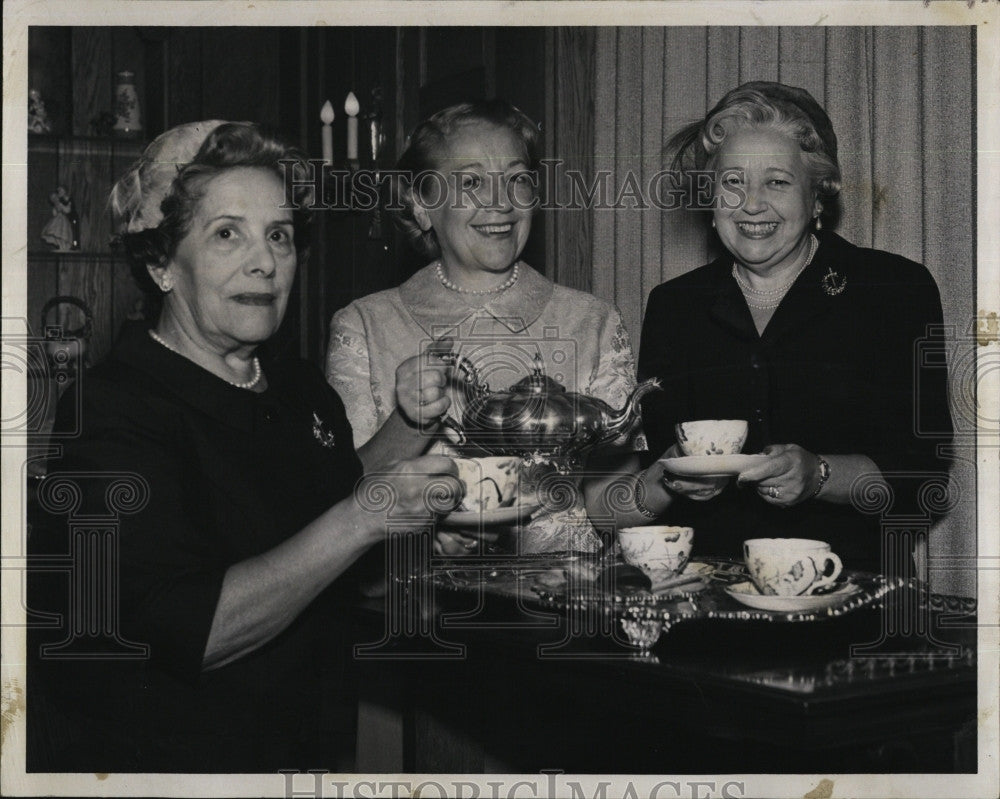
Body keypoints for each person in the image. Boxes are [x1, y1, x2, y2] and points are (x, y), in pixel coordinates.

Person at [27, 121, 462, 772]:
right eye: (227, 233)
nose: (264, 260)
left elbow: (335, 495)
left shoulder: (295, 383)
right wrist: (366, 518)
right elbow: (193, 629)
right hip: (170, 764)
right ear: (160, 264)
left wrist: (412, 418)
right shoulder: (110, 413)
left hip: (305, 749)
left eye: (279, 235)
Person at [635, 81, 953, 573]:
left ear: (818, 195)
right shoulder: (673, 306)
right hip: (709, 601)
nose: (752, 204)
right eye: (733, 182)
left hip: (854, 596)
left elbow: (924, 478)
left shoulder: (892, 289)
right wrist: (678, 471)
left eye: (777, 182)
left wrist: (821, 475)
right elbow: (652, 468)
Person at [326, 99, 660, 555]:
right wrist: (409, 422)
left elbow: (606, 507)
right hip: (424, 609)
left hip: (564, 607)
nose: (501, 202)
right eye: (471, 182)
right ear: (421, 206)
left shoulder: (593, 321)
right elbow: (342, 501)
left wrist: (675, 478)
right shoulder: (364, 326)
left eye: (518, 180)